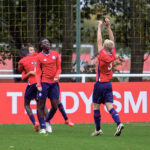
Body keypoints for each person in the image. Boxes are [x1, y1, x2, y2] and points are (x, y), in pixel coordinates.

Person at [91, 18, 124, 136]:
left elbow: (99, 40)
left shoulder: (102, 55)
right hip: (108, 84)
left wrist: (100, 26)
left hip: (100, 84)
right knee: (109, 106)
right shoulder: (112, 55)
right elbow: (112, 40)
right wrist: (108, 27)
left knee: (96, 106)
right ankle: (118, 123)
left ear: (104, 47)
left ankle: (98, 129)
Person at [36, 38, 74, 134]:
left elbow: (59, 68)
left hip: (54, 84)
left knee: (55, 106)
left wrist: (57, 75)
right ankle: (43, 127)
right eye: (44, 43)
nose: (47, 44)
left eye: (48, 42)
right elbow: (38, 72)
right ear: (41, 46)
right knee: (40, 105)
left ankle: (47, 120)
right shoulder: (39, 56)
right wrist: (38, 84)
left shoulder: (55, 54)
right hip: (44, 83)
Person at [18, 44, 39, 132]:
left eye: (32, 49)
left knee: (26, 104)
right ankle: (46, 124)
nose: (32, 51)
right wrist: (29, 73)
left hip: (32, 84)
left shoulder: (23, 61)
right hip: (40, 84)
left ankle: (35, 122)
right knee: (41, 104)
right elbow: (23, 76)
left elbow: (20, 72)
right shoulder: (38, 58)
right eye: (30, 50)